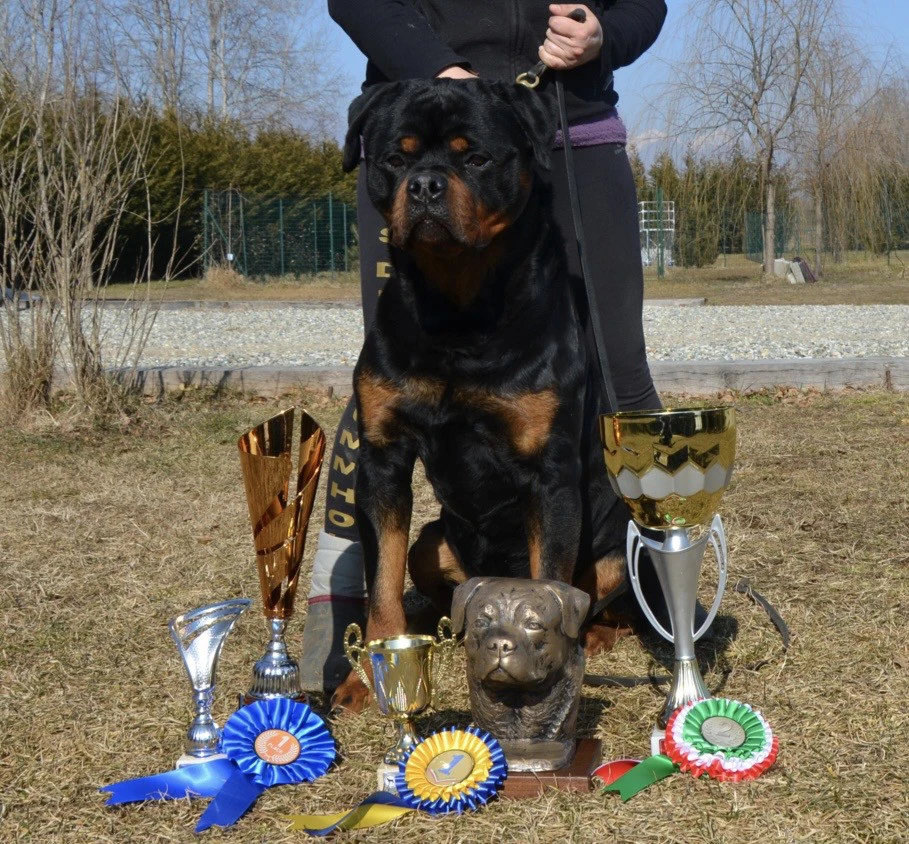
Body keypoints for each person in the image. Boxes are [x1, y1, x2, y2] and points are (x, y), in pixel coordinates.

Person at [300, 0, 668, 694]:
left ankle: (652, 603)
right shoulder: (411, 164)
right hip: (410, 103)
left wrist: (602, 34)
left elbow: (642, 5)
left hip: (569, 123)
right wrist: (439, 73)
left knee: (623, 384)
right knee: (383, 407)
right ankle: (343, 619)